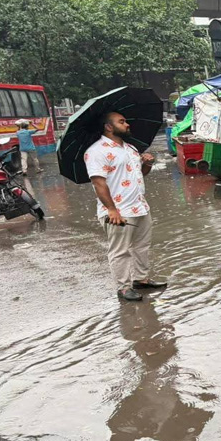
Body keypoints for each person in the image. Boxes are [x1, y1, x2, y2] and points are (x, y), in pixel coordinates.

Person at [84, 112, 166, 301]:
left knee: (141, 246)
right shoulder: (97, 151)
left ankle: (141, 280)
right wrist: (111, 210)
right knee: (120, 251)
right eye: (122, 122)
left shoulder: (130, 148)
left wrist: (147, 164)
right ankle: (123, 287)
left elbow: (137, 175)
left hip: (140, 207)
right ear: (109, 127)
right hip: (118, 210)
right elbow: (98, 183)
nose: (127, 124)